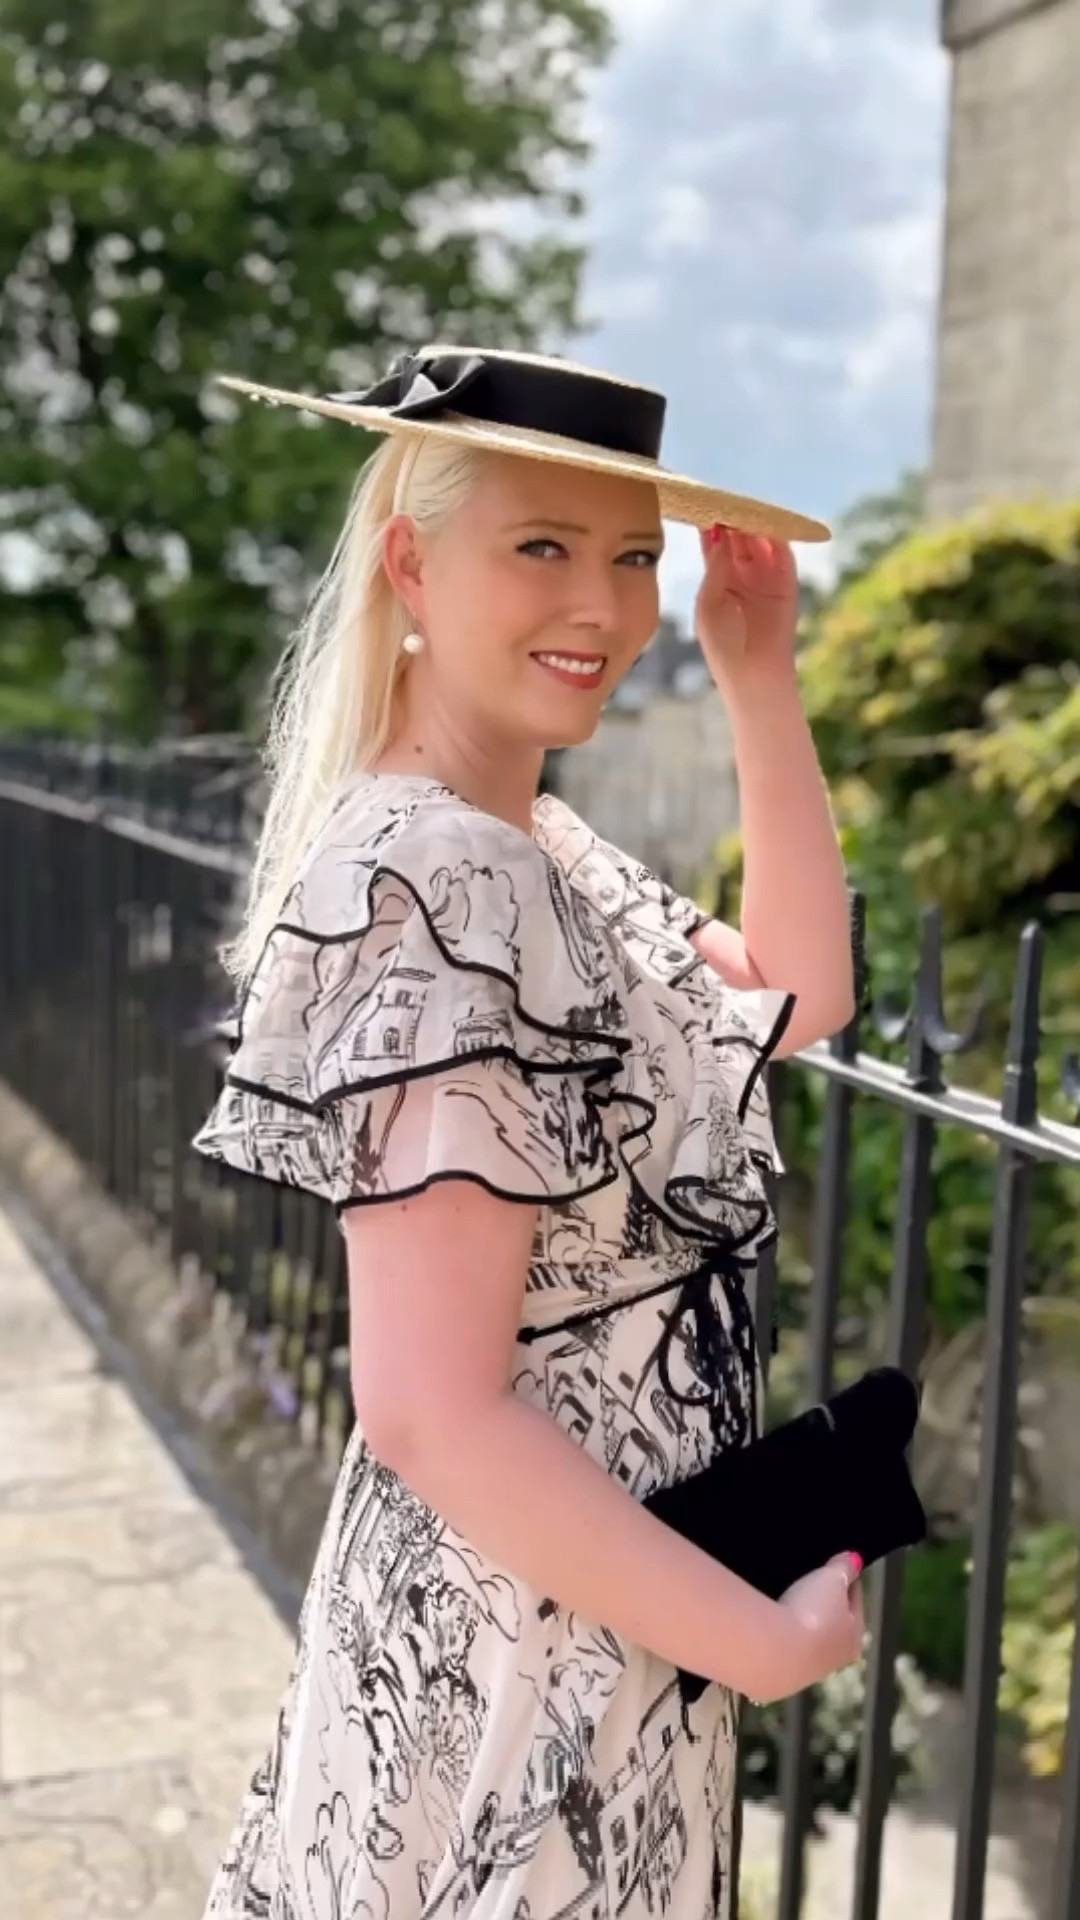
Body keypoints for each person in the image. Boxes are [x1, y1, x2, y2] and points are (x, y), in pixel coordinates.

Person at [192, 345, 864, 1920]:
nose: (607, 608)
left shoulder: (527, 839)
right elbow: (428, 1407)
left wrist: (757, 672)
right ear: (411, 560)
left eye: (632, 555)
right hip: (530, 1664)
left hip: (594, 1612)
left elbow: (796, 993)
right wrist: (756, 1643)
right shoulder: (451, 874)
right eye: (543, 549)